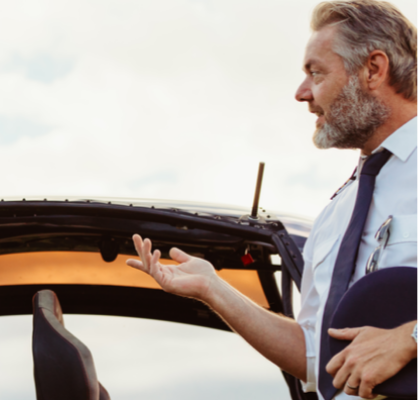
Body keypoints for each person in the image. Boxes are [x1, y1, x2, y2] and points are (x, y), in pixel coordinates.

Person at [127, 1, 416, 399]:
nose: (301, 93)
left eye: (316, 72)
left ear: (373, 69)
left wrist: (410, 337)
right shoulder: (336, 215)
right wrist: (215, 290)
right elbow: (317, 358)